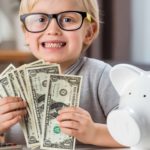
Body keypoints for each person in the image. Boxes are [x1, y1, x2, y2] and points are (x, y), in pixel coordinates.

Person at [0, 0, 123, 148]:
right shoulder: (9, 86)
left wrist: (94, 132)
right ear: (26, 33)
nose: (53, 30)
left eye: (67, 19)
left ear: (89, 32)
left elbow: (137, 133)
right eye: (40, 19)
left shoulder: (102, 76)